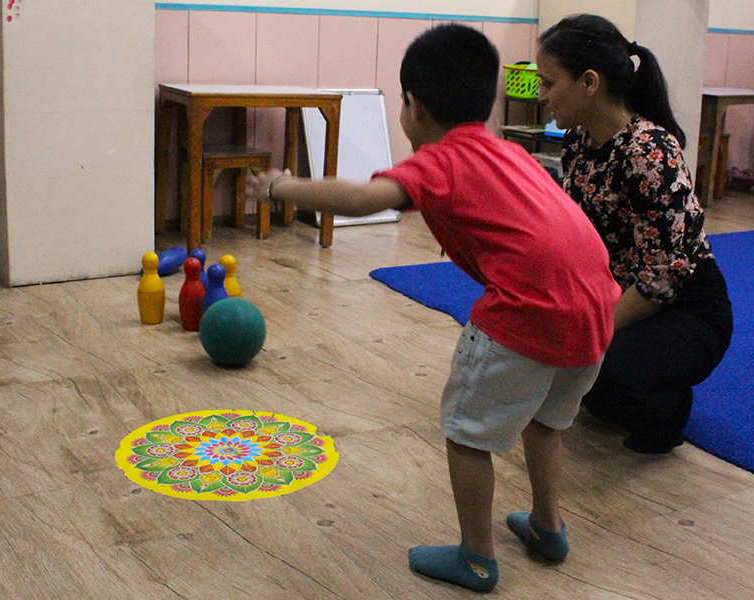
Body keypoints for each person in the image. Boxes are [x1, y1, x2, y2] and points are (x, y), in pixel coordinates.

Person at [247, 24, 620, 593]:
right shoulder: (506, 152)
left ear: (413, 107)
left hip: (529, 311)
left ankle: (475, 557)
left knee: (467, 434)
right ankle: (548, 527)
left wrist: (281, 187)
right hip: (596, 307)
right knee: (545, 421)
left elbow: (364, 198)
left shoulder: (441, 161)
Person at [536, 14, 734, 455]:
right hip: (622, 292)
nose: (542, 94)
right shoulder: (579, 143)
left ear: (589, 82)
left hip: (684, 309)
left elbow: (662, 279)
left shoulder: (648, 150)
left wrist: (592, 331)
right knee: (549, 350)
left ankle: (668, 406)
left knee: (599, 369)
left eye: (548, 82)